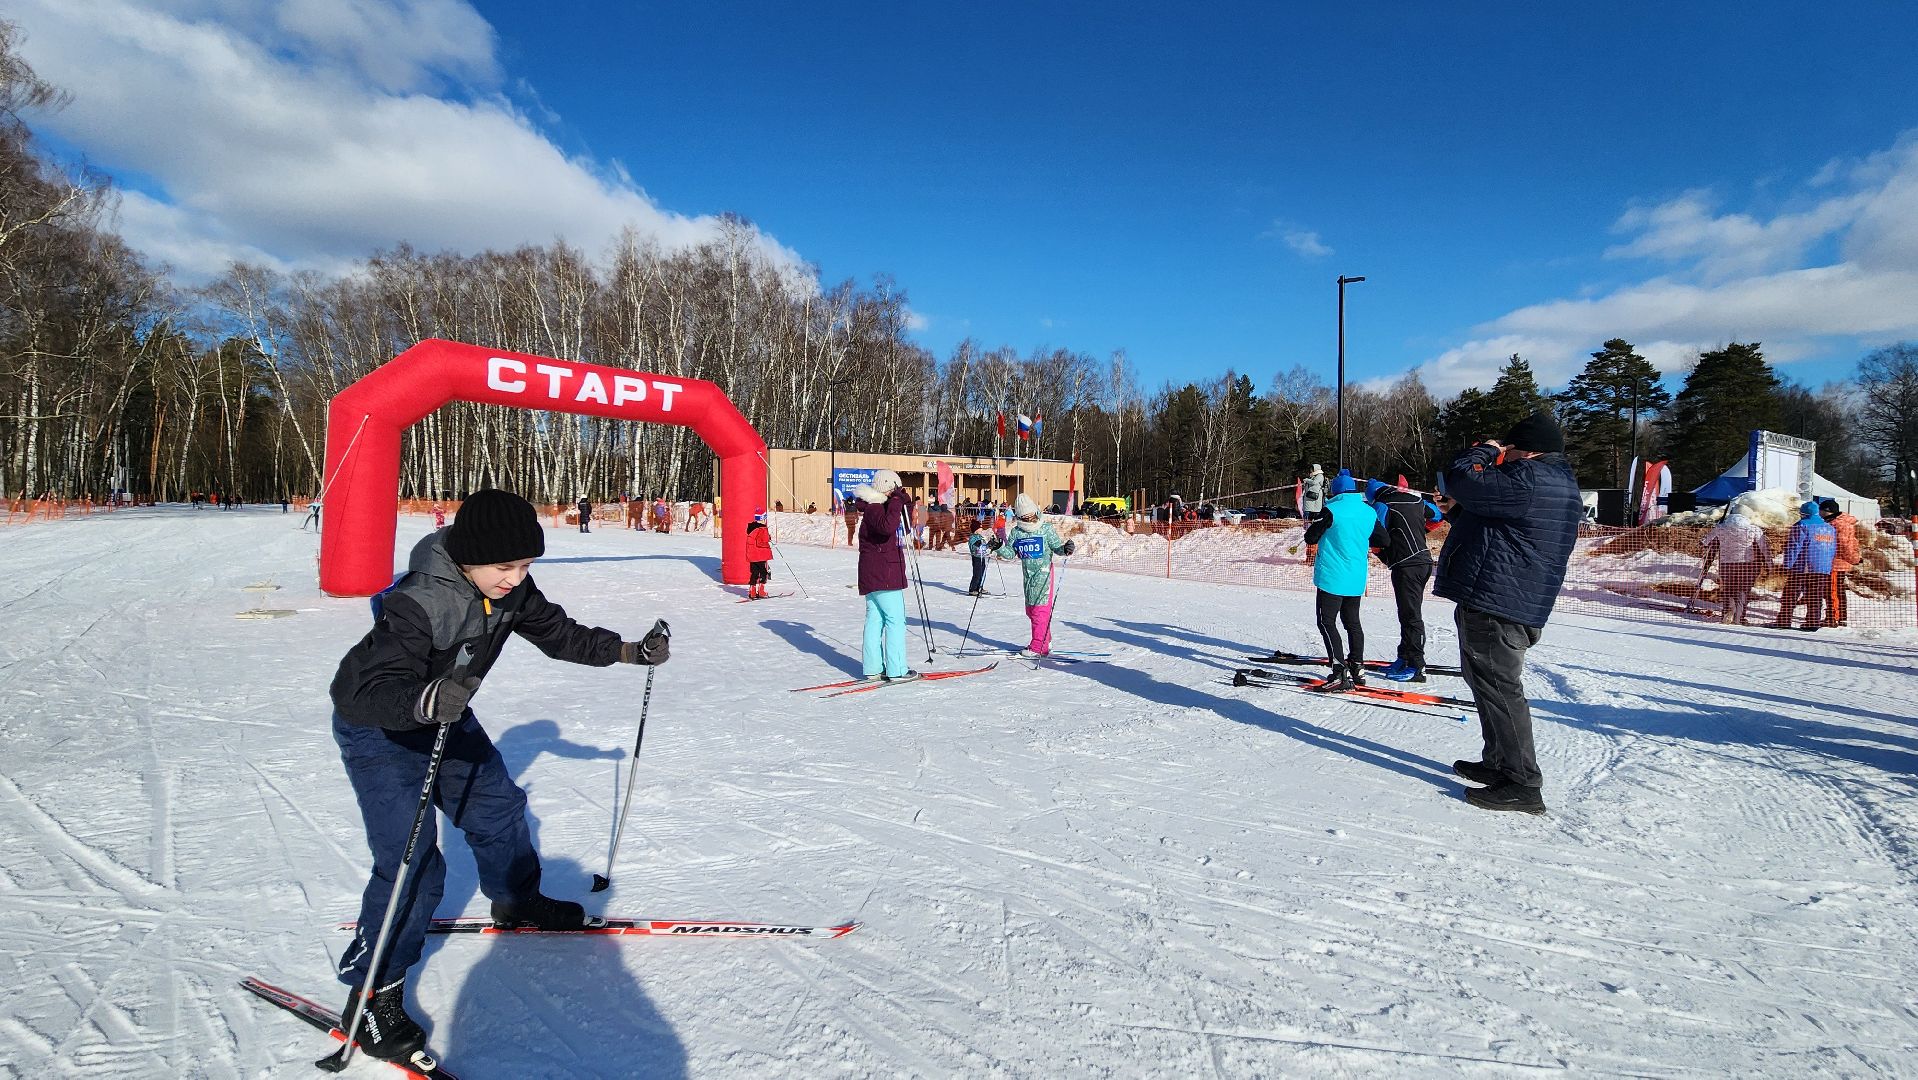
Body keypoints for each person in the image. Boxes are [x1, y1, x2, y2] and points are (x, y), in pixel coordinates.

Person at [327, 489, 669, 1063]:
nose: (515, 578)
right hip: (381, 730)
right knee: (412, 858)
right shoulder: (418, 602)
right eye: (504, 566)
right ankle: (370, 995)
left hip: (445, 718)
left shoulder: (510, 593)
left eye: (526, 565)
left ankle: (518, 900)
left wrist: (630, 651)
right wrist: (422, 700)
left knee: (497, 808)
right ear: (466, 557)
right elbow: (360, 690)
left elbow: (560, 635)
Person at [1435, 412, 1582, 815]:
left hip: (1500, 600)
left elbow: (1461, 477)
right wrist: (1456, 511)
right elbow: (1503, 526)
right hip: (1507, 596)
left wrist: (1485, 450)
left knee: (1500, 687)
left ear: (1526, 449)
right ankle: (1499, 762)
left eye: (1509, 451)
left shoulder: (1530, 477)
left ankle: (1522, 783)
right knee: (1485, 682)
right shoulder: (1549, 482)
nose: (1504, 458)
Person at [1303, 474, 1386, 690]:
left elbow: (1310, 538)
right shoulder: (1368, 511)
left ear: (1335, 491)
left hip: (1332, 577)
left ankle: (1339, 670)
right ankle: (1357, 666)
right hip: (1356, 576)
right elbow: (1383, 540)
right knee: (1352, 622)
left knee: (1326, 622)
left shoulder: (1332, 510)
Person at [1365, 479, 1442, 682]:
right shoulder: (1415, 500)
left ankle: (1417, 666)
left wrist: (1380, 553)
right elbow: (1438, 514)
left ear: (1373, 495)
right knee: (1407, 613)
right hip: (1423, 560)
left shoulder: (1381, 506)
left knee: (1411, 615)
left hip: (1406, 564)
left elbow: (1378, 536)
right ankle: (1404, 656)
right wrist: (1421, 531)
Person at [990, 493, 1073, 657]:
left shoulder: (1045, 529)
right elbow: (1010, 553)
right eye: (1025, 517)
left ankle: (1038, 646)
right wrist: (998, 546)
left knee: (1039, 610)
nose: (1030, 520)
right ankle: (1045, 638)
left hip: (1043, 574)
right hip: (1028, 576)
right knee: (1031, 610)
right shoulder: (1017, 532)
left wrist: (1065, 549)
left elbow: (1057, 548)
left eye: (1031, 515)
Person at [854, 470, 918, 681]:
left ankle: (873, 668)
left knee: (876, 619)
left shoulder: (881, 507)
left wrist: (904, 501)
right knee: (895, 620)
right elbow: (887, 527)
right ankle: (897, 669)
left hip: (878, 573)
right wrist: (897, 501)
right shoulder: (874, 508)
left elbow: (904, 527)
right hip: (883, 573)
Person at [1702, 504, 1770, 625]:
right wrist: (1769, 564)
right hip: (1746, 565)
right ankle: (1739, 618)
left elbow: (1705, 541)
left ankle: (1727, 615)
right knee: (1742, 592)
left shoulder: (1721, 527)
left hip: (1726, 565)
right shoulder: (1753, 529)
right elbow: (1764, 548)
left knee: (1729, 590)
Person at [1773, 501, 1836, 631]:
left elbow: (1794, 547)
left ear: (1804, 513)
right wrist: (1828, 565)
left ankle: (1784, 621)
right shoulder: (1829, 528)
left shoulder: (1801, 525)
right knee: (1815, 595)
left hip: (1803, 566)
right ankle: (1813, 623)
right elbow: (1832, 548)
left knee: (1790, 594)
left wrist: (1787, 565)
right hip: (1823, 568)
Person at [1819, 499, 1859, 627]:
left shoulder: (1838, 525)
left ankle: (1833, 617)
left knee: (1833, 591)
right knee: (1834, 590)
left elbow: (1844, 545)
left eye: (1821, 510)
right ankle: (1839, 616)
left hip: (1836, 562)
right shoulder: (1833, 522)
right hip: (1833, 561)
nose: (1819, 513)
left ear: (1827, 511)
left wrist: (1854, 558)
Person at [745, 510, 774, 599]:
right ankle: (761, 591)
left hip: (752, 555)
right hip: (760, 555)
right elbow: (763, 541)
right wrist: (769, 540)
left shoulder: (751, 528)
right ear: (763, 519)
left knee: (754, 573)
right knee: (764, 573)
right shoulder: (762, 529)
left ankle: (752, 591)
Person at [966, 514, 994, 596]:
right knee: (977, 573)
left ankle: (979, 587)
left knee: (982, 572)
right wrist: (977, 544)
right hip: (976, 557)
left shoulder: (980, 537)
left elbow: (984, 546)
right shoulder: (973, 538)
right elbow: (973, 545)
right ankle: (973, 589)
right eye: (980, 528)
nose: (981, 529)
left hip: (982, 557)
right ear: (976, 530)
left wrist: (990, 545)